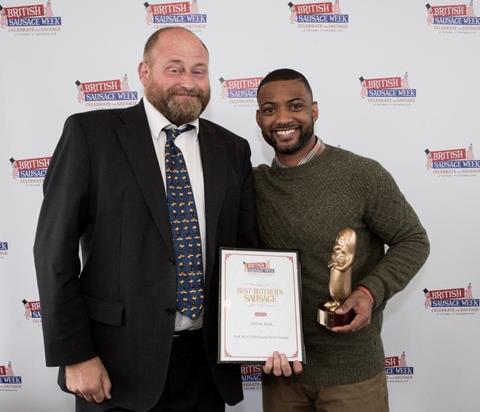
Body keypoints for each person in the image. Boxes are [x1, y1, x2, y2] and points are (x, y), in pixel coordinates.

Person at [34, 27, 258, 412]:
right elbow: (55, 250)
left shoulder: (232, 149)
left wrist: (266, 334)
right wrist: (75, 354)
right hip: (113, 368)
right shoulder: (91, 136)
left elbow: (247, 253)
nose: (188, 82)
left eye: (199, 71)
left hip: (204, 370)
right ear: (144, 72)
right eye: (175, 69)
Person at [254, 68, 430, 412]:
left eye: (295, 106)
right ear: (259, 118)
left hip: (352, 374)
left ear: (314, 111)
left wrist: (369, 292)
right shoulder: (253, 185)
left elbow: (412, 240)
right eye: (270, 109)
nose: (283, 118)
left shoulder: (361, 175)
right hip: (282, 372)